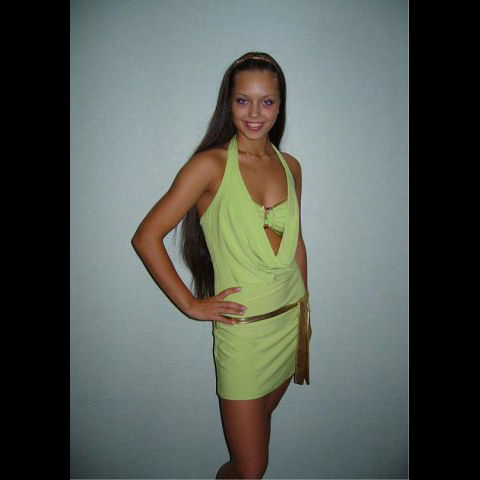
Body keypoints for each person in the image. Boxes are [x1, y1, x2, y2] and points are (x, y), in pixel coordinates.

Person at [132, 51, 310, 479]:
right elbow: (146, 237)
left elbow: (296, 242)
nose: (255, 113)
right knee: (251, 469)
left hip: (288, 322)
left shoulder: (290, 166)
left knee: (256, 447)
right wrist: (191, 305)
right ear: (228, 103)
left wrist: (306, 309)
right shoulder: (209, 165)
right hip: (244, 334)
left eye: (266, 101)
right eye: (243, 100)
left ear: (280, 105)